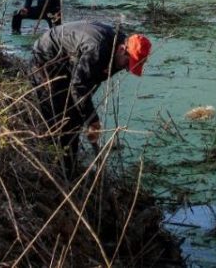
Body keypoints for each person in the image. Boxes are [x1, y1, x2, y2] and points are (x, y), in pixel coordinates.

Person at [30, 21, 152, 178]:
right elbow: (79, 86)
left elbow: (91, 82)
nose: (128, 68)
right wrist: (92, 118)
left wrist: (86, 116)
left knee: (74, 118)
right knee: (57, 118)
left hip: (70, 61)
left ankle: (68, 168)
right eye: (128, 63)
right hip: (46, 57)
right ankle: (52, 172)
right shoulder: (98, 50)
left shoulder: (117, 51)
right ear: (122, 50)